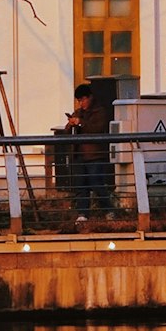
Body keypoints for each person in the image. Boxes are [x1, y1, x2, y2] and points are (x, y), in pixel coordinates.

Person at [66, 82, 112, 224]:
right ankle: (82, 213)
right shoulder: (78, 112)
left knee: (97, 183)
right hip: (79, 155)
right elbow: (67, 129)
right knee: (81, 185)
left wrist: (80, 123)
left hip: (95, 155)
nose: (81, 103)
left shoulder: (100, 111)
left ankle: (108, 211)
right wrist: (71, 123)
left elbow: (97, 128)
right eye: (79, 101)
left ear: (90, 97)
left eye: (83, 100)